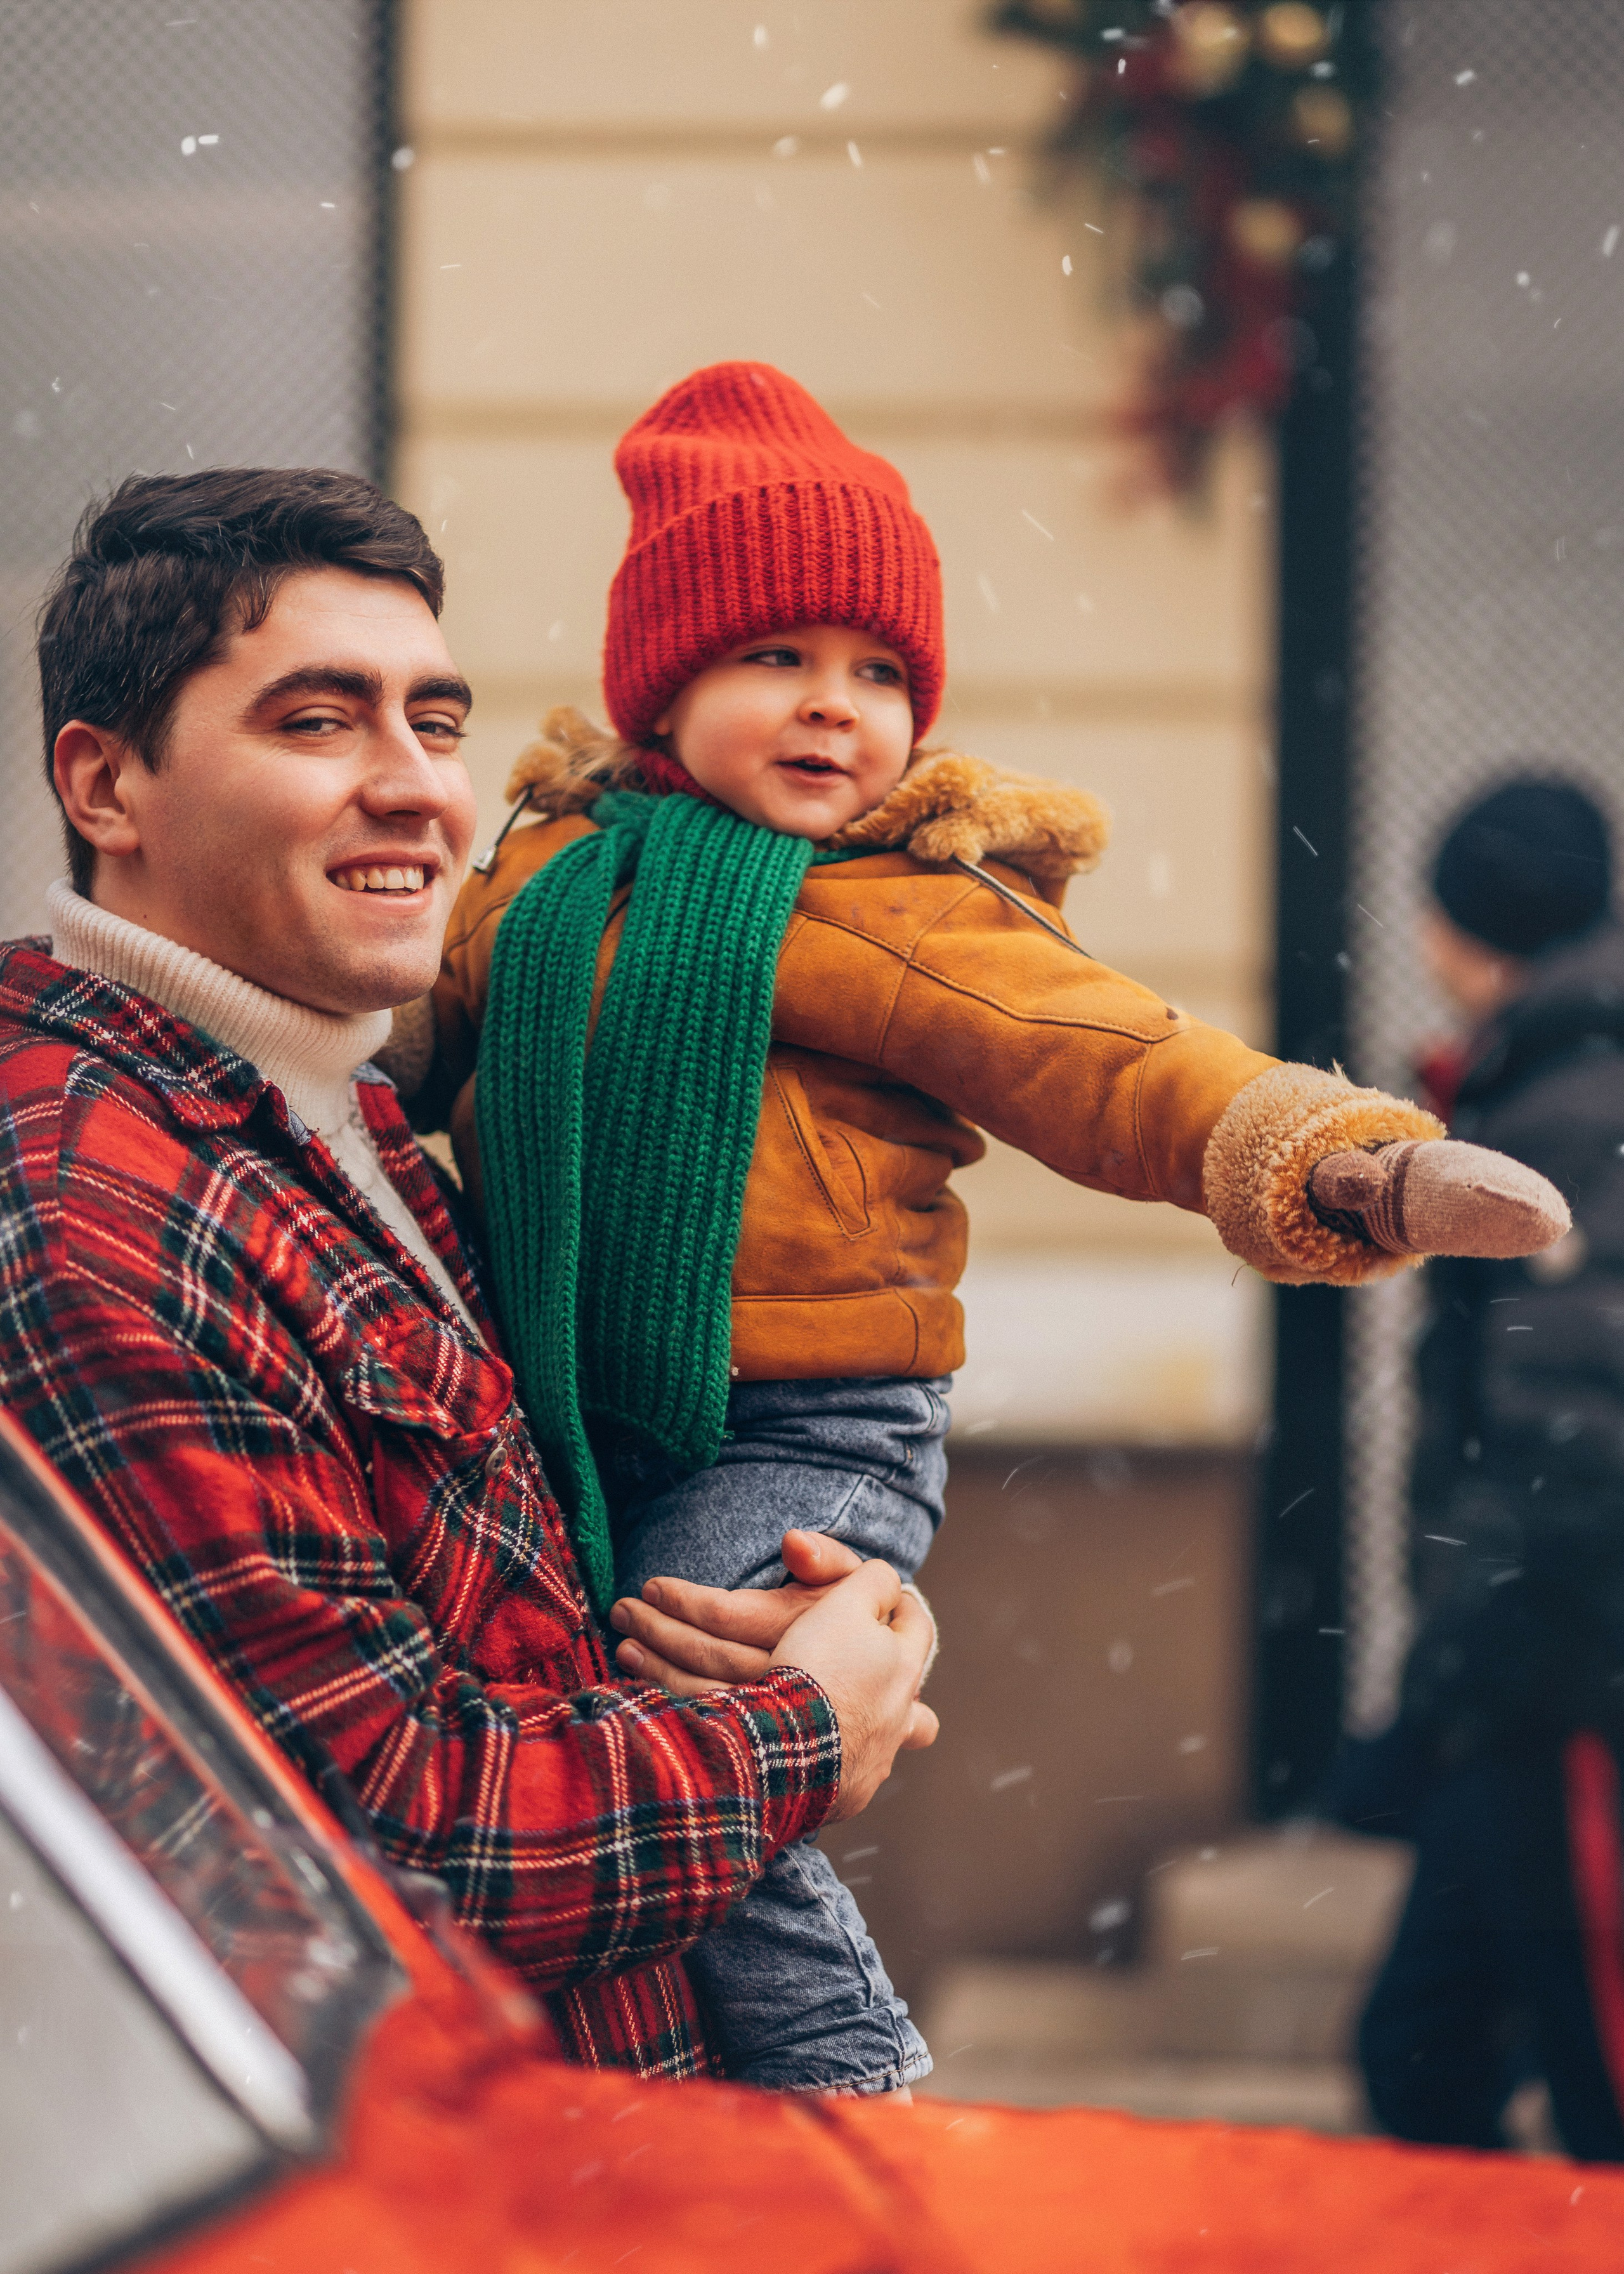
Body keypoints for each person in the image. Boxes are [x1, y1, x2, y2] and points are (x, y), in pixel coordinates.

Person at [397, 360, 1570, 2097]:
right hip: (573, 1416)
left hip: (816, 1427)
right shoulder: (538, 879)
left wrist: (1350, 1162)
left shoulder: (905, 904)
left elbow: (1116, 1061)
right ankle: (666, 2106)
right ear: (663, 681)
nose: (835, 706)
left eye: (879, 672)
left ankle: (852, 2077)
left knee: (699, 1729)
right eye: (775, 655)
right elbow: (400, 1055)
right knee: (585, 1752)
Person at [0, 465, 939, 2084]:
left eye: (435, 722)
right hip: (424, 2174)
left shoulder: (344, 1101)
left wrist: (781, 1610)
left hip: (580, 2133)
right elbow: (390, 1845)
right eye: (318, 721)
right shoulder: (94, 1203)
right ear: (105, 784)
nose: (415, 786)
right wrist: (800, 1728)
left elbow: (512, 1618)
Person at [1345, 778, 1624, 2157]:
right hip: (1517, 1678)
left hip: (1566, 1671)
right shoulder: (1542, 1074)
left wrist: (1470, 1652)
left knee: (1596, 2079)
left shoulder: (1569, 1096)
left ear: (1457, 924)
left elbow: (1577, 1427)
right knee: (1421, 2048)